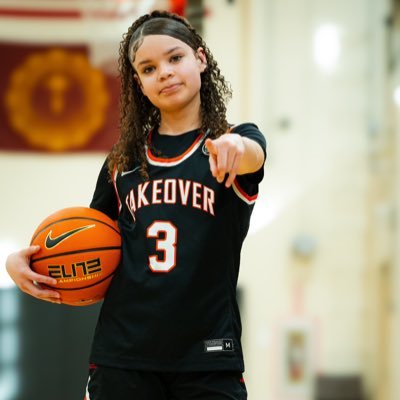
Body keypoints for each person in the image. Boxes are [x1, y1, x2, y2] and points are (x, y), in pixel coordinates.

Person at [6, 10, 266, 400]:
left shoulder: (232, 142)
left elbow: (254, 155)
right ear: (138, 83)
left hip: (208, 354)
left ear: (200, 59)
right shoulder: (123, 162)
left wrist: (236, 147)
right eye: (148, 68)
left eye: (175, 58)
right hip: (124, 355)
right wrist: (22, 262)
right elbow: (85, 237)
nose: (163, 72)